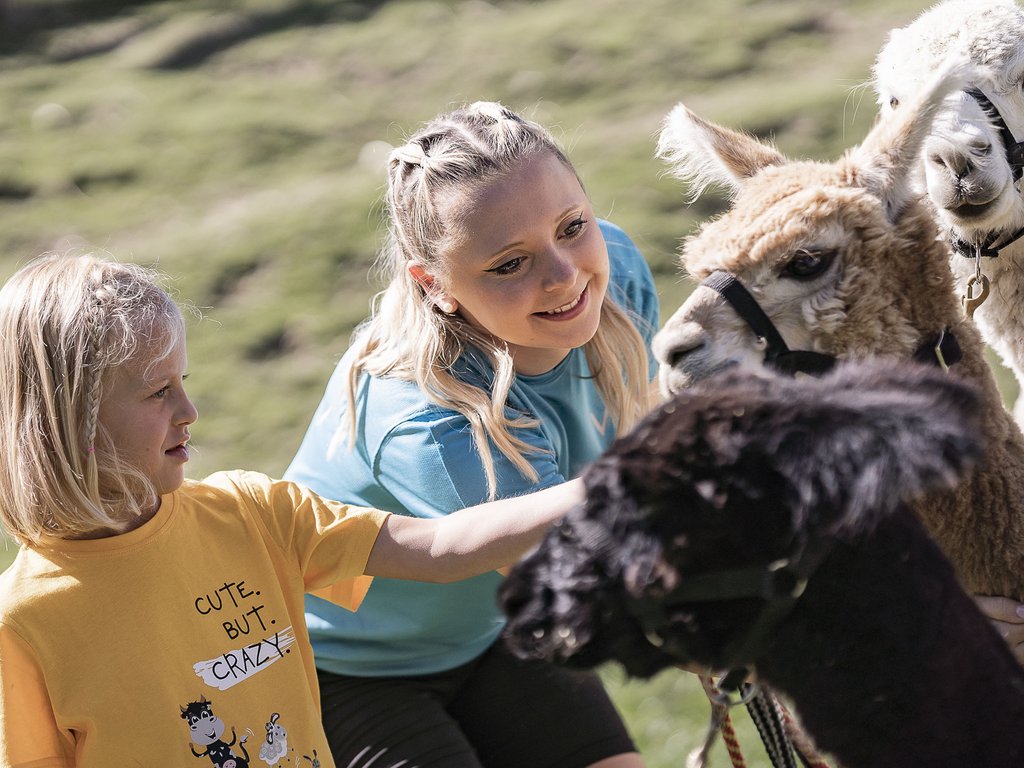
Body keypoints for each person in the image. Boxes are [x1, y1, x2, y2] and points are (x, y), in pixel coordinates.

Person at [0, 253, 586, 767]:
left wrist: (608, 486)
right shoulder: (23, 624)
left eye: (183, 381)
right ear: (73, 421)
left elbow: (440, 548)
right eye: (158, 392)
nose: (189, 410)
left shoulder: (252, 513)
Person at [285, 101, 659, 768]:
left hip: (491, 628)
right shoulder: (424, 415)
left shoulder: (618, 271)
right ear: (434, 285)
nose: (564, 275)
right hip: (346, 664)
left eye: (572, 226)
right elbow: (588, 572)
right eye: (510, 264)